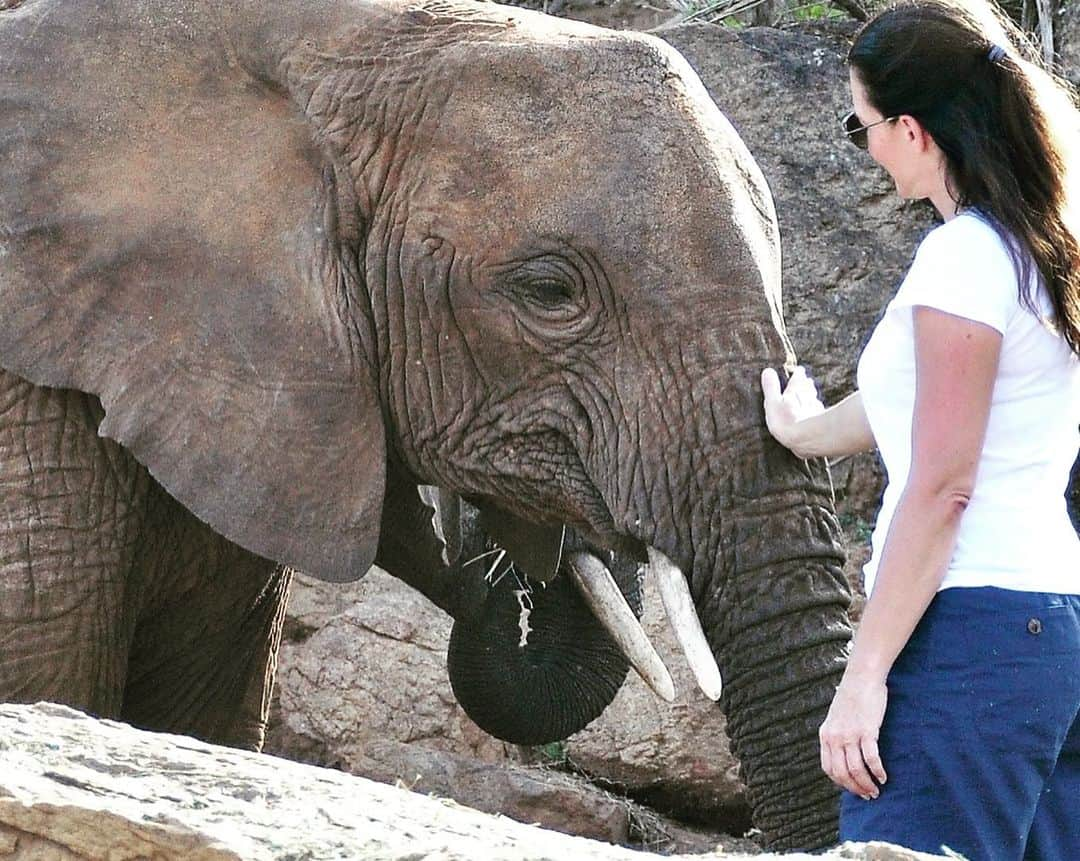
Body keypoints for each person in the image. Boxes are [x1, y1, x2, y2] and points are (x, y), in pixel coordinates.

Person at [760, 1, 1080, 858]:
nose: (861, 146)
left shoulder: (964, 258)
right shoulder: (1039, 250)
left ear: (911, 128)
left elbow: (943, 485)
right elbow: (937, 403)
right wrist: (806, 432)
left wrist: (862, 679)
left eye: (859, 122)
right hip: (1048, 633)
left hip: (967, 639)